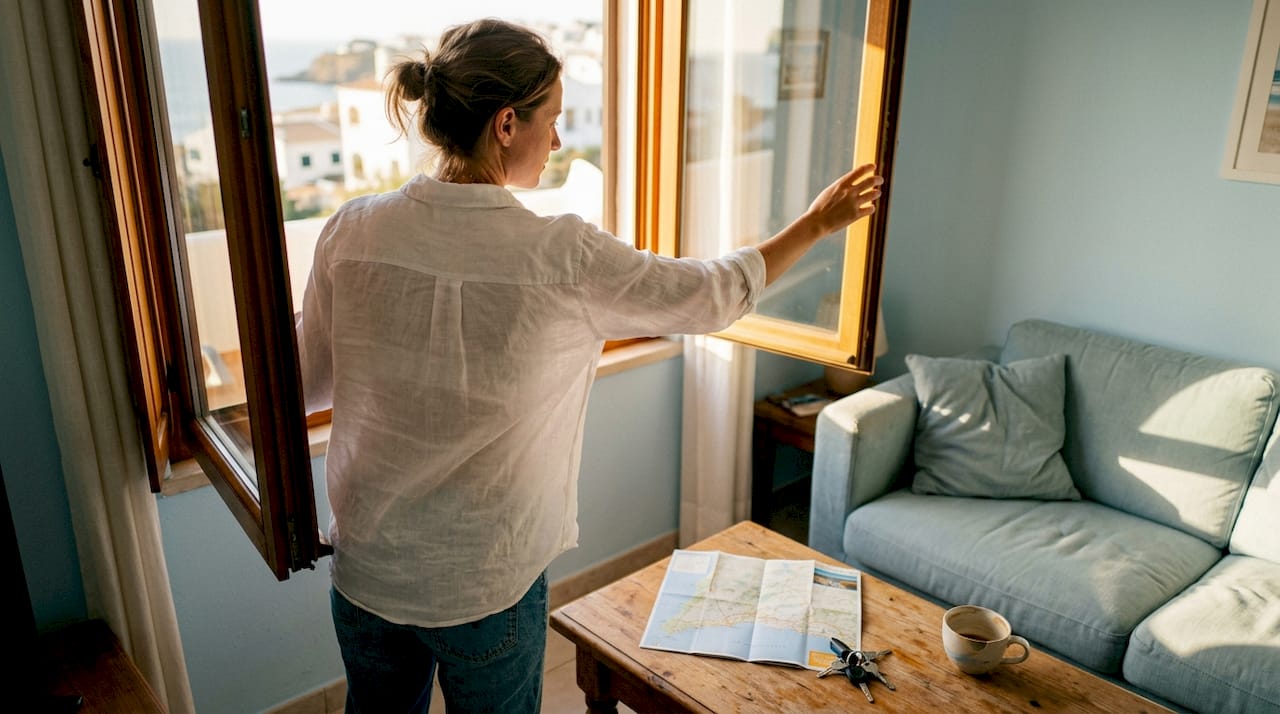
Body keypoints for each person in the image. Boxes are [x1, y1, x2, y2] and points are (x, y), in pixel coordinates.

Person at [296, 17, 883, 714]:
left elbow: (306, 383)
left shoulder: (351, 230)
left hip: (368, 573)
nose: (557, 142)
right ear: (506, 124)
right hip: (485, 585)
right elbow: (710, 293)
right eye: (552, 121)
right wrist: (815, 225)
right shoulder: (561, 256)